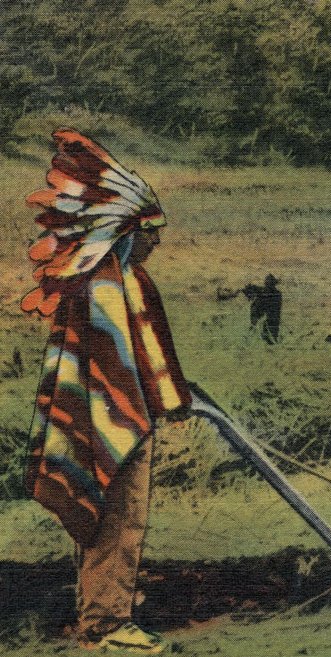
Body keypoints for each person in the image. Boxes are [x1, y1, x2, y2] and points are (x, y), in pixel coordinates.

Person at [21, 129, 191, 654]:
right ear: (122, 231)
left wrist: (173, 398)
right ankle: (106, 625)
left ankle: (105, 614)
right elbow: (118, 362)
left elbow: (145, 352)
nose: (154, 242)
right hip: (109, 421)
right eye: (147, 231)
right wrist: (154, 402)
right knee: (116, 518)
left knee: (115, 520)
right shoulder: (102, 285)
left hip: (120, 414)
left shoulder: (124, 278)